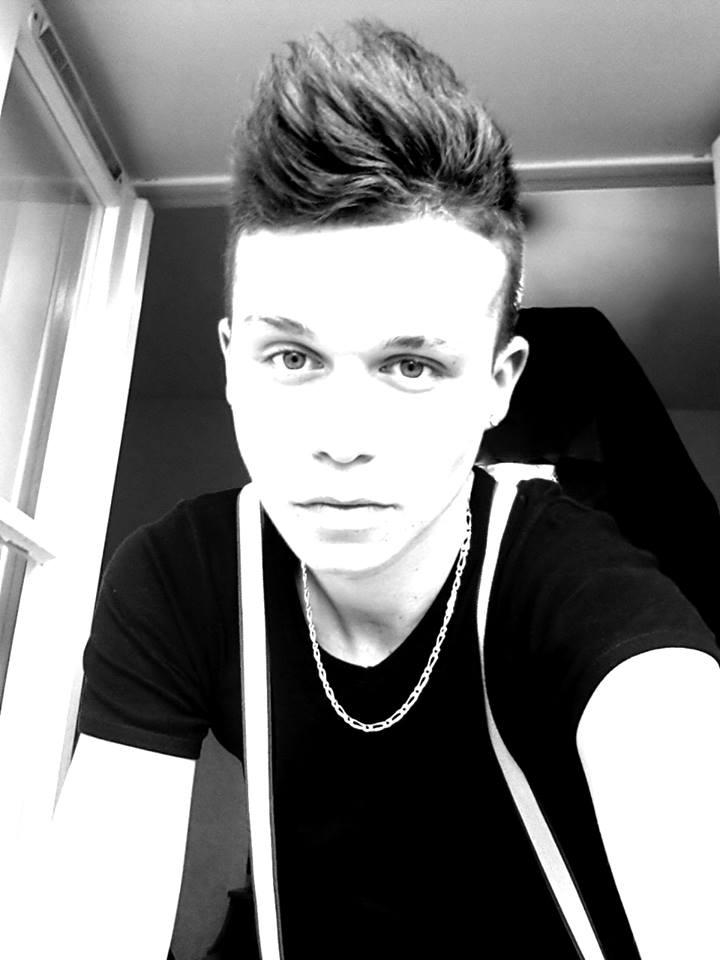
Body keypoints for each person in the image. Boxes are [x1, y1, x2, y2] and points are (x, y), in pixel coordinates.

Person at [31, 20, 720, 960]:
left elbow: (671, 748)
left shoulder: (578, 588)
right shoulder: (182, 577)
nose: (342, 440)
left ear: (499, 386)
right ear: (231, 365)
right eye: (292, 356)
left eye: (412, 366)